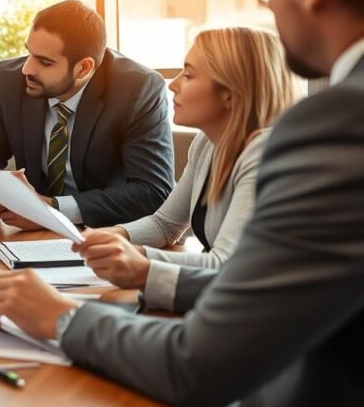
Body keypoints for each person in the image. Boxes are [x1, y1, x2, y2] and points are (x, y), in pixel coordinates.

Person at [0, 0, 364, 407]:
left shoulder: (333, 127)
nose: (173, 87)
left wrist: (62, 316)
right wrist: (130, 255)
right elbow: (178, 231)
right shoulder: (216, 146)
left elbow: (203, 362)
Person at [81, 27, 298, 311]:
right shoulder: (206, 143)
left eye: (189, 74)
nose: (173, 84)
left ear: (230, 94)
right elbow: (166, 225)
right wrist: (116, 235)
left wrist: (138, 259)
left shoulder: (264, 154)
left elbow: (224, 264)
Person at [0, 0, 174, 229]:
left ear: (83, 68)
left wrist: (52, 210)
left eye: (45, 62)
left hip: (107, 235)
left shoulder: (137, 89)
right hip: (27, 237)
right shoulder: (11, 81)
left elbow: (152, 191)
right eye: (29, 53)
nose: (27, 69)